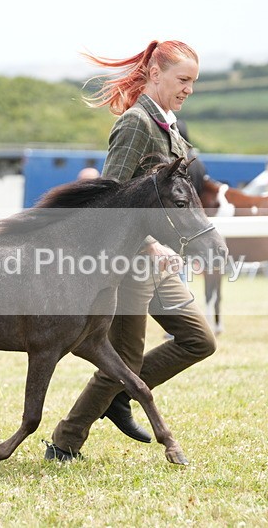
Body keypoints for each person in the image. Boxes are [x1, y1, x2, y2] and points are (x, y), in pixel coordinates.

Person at [45, 40, 217, 462]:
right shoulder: (136, 123)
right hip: (132, 261)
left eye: (193, 81)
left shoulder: (167, 124)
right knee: (124, 355)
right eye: (183, 80)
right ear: (156, 74)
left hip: (155, 259)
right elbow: (111, 201)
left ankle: (119, 395)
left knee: (198, 340)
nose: (189, 89)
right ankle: (66, 442)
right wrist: (152, 246)